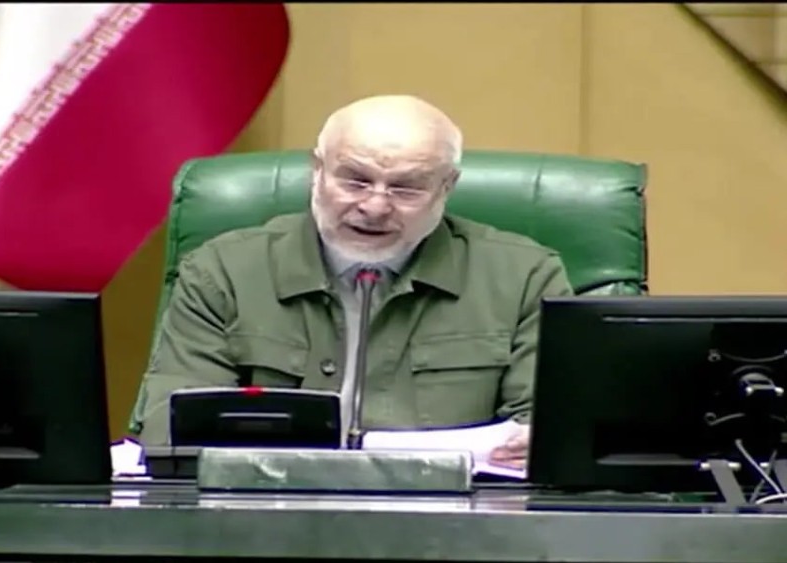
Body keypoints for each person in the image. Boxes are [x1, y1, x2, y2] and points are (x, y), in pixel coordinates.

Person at [131, 95, 573, 469]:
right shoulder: (223, 270)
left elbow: (548, 435)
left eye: (406, 188)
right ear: (317, 171)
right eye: (356, 180)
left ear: (447, 187)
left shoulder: (525, 277)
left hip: (454, 520)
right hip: (266, 514)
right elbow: (171, 425)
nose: (375, 207)